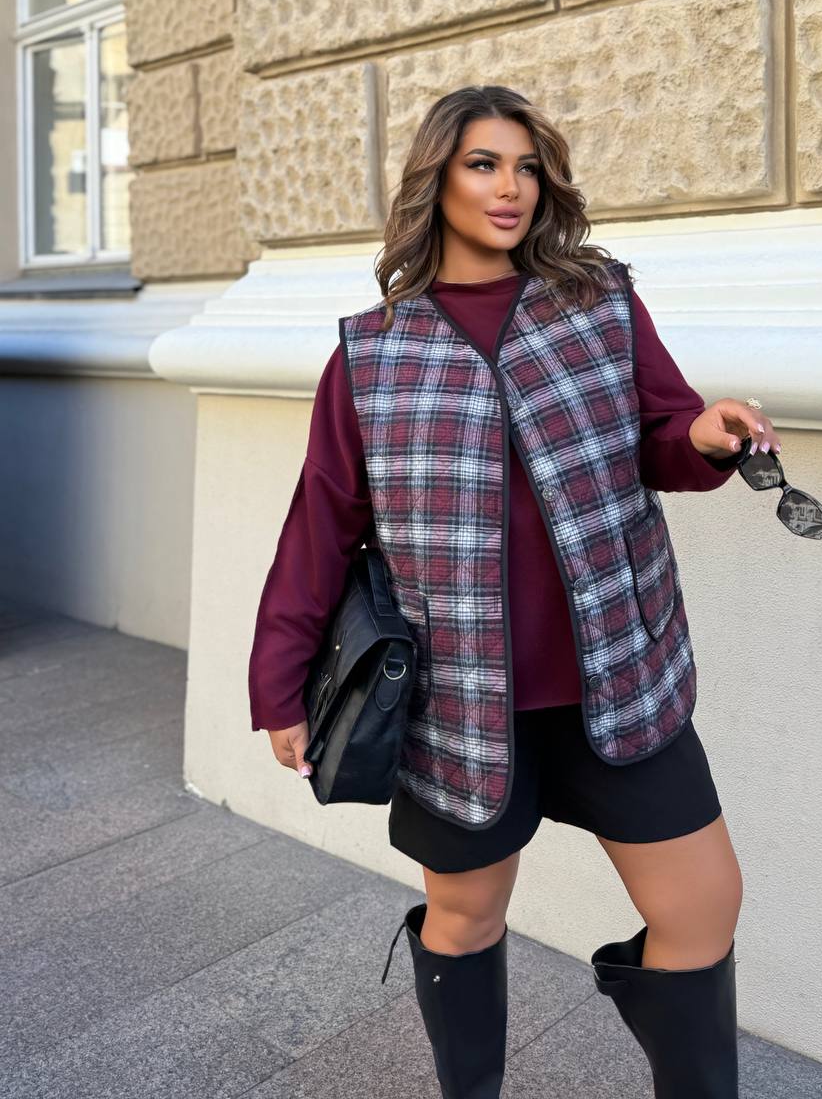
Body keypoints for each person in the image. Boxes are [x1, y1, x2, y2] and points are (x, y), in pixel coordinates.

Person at [248, 85, 783, 1098]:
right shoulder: (371, 352)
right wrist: (279, 681)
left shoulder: (597, 304)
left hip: (617, 680)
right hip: (457, 706)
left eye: (527, 167)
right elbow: (320, 526)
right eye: (484, 164)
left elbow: (661, 435)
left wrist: (705, 434)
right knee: (464, 917)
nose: (510, 188)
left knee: (702, 906)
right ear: (436, 178)